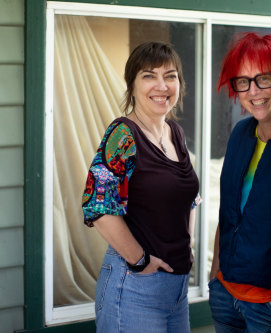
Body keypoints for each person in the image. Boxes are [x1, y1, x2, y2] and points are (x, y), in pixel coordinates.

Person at [82, 41, 201, 333]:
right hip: (135, 286)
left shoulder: (175, 132)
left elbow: (190, 199)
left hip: (177, 287)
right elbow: (98, 206)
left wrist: (189, 245)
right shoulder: (123, 135)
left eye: (170, 75)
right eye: (149, 75)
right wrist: (140, 260)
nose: (162, 85)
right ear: (131, 85)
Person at [208, 32, 271, 333]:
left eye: (263, 78)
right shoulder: (241, 134)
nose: (254, 91)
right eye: (243, 81)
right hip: (225, 295)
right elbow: (227, 211)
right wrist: (215, 274)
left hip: (269, 305)